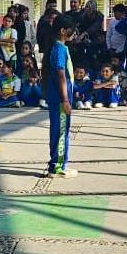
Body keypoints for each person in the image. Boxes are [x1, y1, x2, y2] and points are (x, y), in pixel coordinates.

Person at [46, 14, 77, 178]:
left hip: (61, 97)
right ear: (63, 31)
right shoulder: (59, 49)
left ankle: (59, 163)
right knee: (60, 132)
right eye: (72, 30)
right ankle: (57, 166)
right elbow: (61, 75)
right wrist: (65, 99)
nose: (74, 33)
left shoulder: (61, 48)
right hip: (59, 99)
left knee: (61, 130)